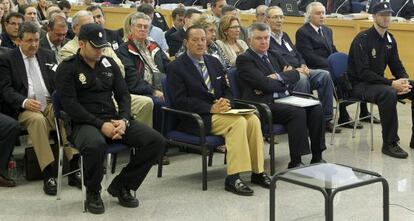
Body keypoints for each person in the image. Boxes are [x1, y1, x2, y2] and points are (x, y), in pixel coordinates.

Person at [56, 23, 165, 214]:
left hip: (112, 119)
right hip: (83, 123)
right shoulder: (68, 68)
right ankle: (93, 192)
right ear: (81, 44)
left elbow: (123, 95)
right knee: (95, 145)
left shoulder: (109, 63)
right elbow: (70, 105)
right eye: (95, 46)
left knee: (156, 141)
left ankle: (122, 185)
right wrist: (100, 125)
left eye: (102, 46)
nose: (100, 50)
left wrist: (123, 120)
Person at [167, 25, 271, 196]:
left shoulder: (213, 61)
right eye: (195, 40)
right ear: (186, 43)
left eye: (203, 39)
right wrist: (210, 108)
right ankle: (233, 177)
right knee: (238, 123)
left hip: (221, 111)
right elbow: (179, 102)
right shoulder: (176, 67)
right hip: (196, 117)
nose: (200, 44)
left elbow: (227, 89)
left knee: (252, 119)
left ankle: (257, 172)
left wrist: (226, 102)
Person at [0, 21, 80, 195]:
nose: (34, 44)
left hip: (49, 103)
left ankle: (74, 168)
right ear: (19, 41)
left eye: (36, 40)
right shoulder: (7, 59)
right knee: (38, 121)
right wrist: (24, 102)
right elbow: (5, 90)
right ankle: (48, 173)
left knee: (64, 114)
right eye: (29, 41)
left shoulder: (48, 55)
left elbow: (58, 82)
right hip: (24, 108)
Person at [236, 22, 326, 169]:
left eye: (266, 38)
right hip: (264, 104)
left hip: (285, 98)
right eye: (259, 38)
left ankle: (317, 156)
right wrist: (282, 79)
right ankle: (296, 160)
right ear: (249, 40)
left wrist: (276, 77)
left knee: (316, 107)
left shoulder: (273, 54)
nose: (264, 42)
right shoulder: (245, 59)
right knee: (297, 112)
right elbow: (264, 84)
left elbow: (295, 74)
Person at [59, 10, 155, 128]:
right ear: (74, 29)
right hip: (89, 100)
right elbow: (84, 73)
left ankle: (132, 139)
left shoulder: (103, 44)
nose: (92, 29)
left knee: (146, 104)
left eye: (93, 24)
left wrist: (124, 120)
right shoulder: (68, 50)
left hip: (111, 92)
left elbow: (120, 70)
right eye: (87, 26)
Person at [347, 2, 414, 159]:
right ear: (374, 17)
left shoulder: (390, 38)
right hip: (360, 85)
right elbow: (363, 73)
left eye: (389, 15)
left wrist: (403, 80)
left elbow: (396, 64)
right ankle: (389, 143)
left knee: (412, 86)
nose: (386, 18)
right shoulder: (362, 39)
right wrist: (391, 83)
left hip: (378, 83)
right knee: (389, 93)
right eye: (382, 15)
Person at [295, 2, 374, 128]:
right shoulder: (303, 32)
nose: (322, 16)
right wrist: (332, 64)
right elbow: (309, 56)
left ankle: (363, 110)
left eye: (323, 13)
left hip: (328, 64)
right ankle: (340, 115)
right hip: (314, 67)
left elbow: (332, 49)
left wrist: (343, 62)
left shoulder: (327, 30)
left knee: (356, 70)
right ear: (310, 16)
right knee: (337, 75)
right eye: (318, 13)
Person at [265, 6, 338, 133]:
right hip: (286, 75)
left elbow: (297, 54)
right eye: (275, 17)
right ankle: (304, 121)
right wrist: (295, 70)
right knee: (302, 79)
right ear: (266, 20)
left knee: (325, 75)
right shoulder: (266, 39)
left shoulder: (284, 36)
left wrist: (303, 65)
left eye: (281, 17)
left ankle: (326, 119)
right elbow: (276, 60)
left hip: (300, 68)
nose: (279, 20)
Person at [116, 12, 170, 133]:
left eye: (146, 27)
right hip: (141, 91)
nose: (142, 29)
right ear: (131, 28)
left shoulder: (154, 46)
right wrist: (153, 91)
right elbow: (132, 80)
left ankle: (176, 137)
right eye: (139, 26)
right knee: (157, 101)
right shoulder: (124, 50)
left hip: (162, 87)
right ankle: (159, 137)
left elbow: (169, 67)